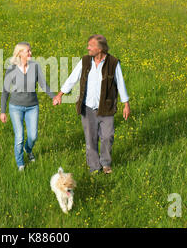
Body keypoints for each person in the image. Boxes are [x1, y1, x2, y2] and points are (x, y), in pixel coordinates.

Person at [53, 35, 130, 175]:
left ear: (100, 48)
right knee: (90, 138)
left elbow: (121, 83)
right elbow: (72, 78)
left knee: (107, 137)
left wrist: (126, 104)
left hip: (106, 107)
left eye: (91, 45)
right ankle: (94, 167)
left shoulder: (113, 63)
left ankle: (106, 163)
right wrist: (60, 95)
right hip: (87, 107)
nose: (88, 48)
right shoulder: (85, 61)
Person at [0, 42, 56, 172]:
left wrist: (53, 96)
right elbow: (5, 91)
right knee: (19, 136)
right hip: (16, 107)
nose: (30, 53)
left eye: (30, 51)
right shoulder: (11, 69)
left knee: (33, 136)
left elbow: (43, 84)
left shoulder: (35, 66)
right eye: (28, 51)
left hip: (32, 106)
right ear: (20, 53)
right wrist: (3, 111)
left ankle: (28, 149)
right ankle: (20, 163)